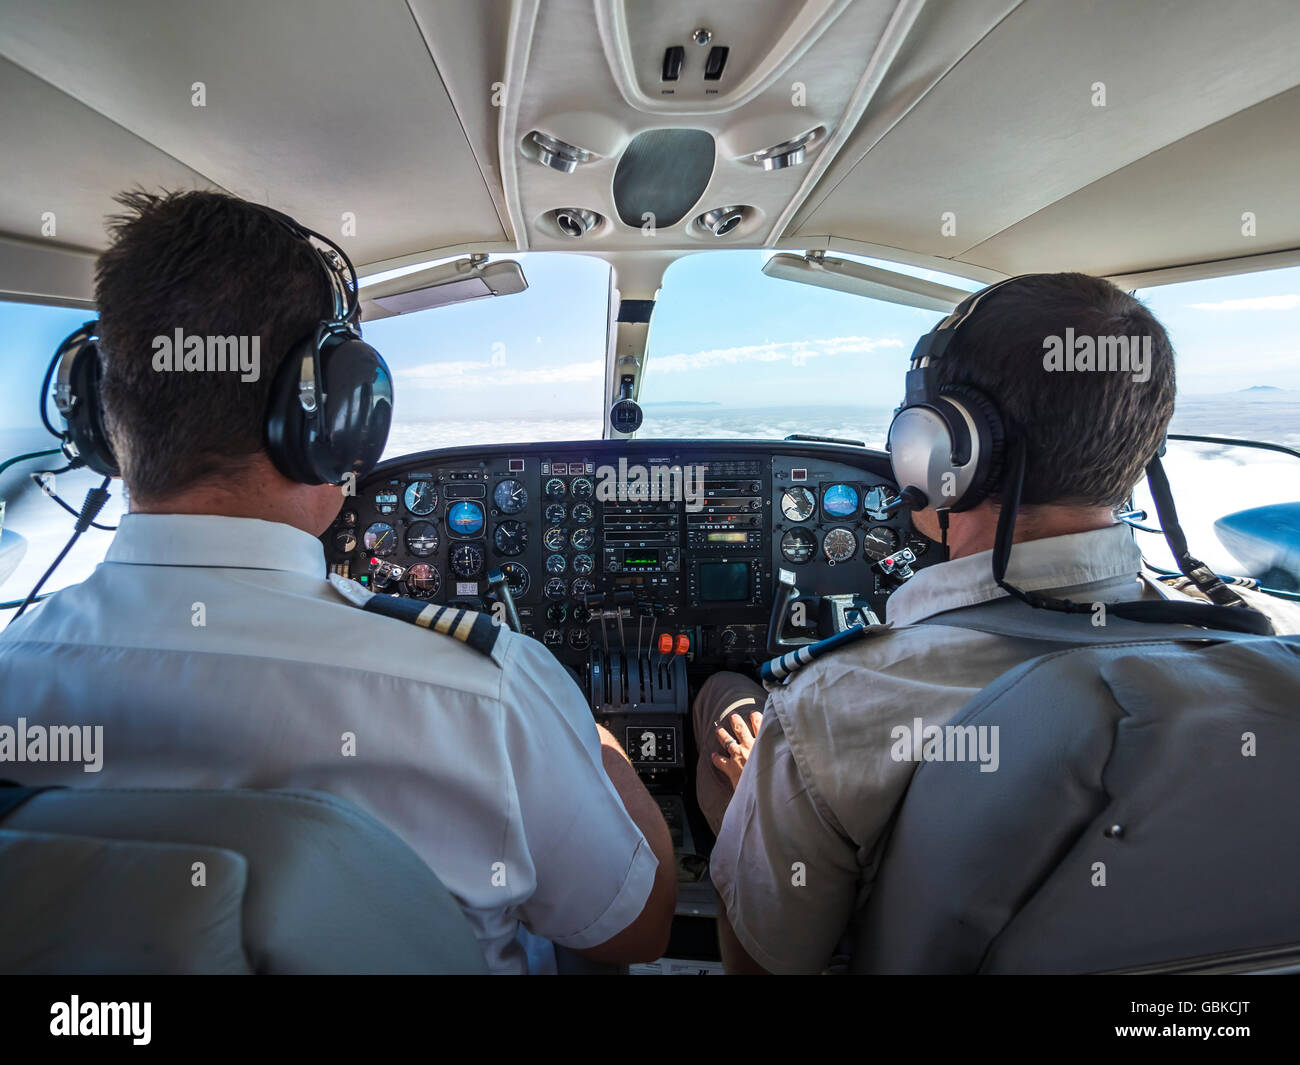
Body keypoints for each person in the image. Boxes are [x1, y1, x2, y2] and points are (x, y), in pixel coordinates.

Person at [0, 189, 675, 974]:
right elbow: (636, 928)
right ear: (336, 417)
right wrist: (598, 746)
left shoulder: (14, 673)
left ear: (96, 417)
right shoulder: (488, 696)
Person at [692, 272, 1300, 974]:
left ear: (947, 447)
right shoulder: (1269, 667)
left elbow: (760, 965)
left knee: (727, 697)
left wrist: (749, 816)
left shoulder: (837, 704)